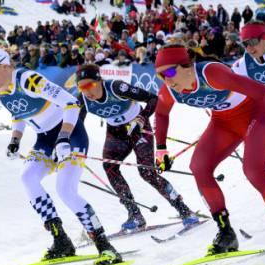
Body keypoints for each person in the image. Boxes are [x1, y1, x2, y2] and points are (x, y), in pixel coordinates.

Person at [0, 45, 121, 265]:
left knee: (65, 190)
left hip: (71, 134)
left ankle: (105, 247)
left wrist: (63, 138)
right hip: (44, 139)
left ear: (4, 66)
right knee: (28, 178)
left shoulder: (29, 80)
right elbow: (18, 113)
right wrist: (15, 140)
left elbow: (71, 103)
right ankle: (61, 240)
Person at [153, 43, 265, 255]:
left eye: (171, 72)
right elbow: (161, 114)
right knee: (199, 166)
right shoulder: (170, 90)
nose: (167, 80)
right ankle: (226, 233)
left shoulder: (212, 73)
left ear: (187, 65)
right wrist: (161, 149)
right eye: (161, 76)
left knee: (254, 172)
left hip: (254, 115)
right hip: (223, 123)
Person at [74, 64, 196, 230]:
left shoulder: (117, 87)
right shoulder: (83, 99)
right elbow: (77, 125)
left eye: (90, 85)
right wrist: (71, 147)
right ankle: (135, 214)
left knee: (147, 172)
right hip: (116, 133)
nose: (87, 91)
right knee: (109, 167)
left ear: (100, 81)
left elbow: (153, 99)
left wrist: (141, 118)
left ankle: (184, 210)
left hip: (138, 127)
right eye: (82, 87)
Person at [231, 20, 265, 202]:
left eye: (253, 42)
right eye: (245, 44)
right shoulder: (241, 66)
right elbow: (235, 96)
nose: (249, 49)